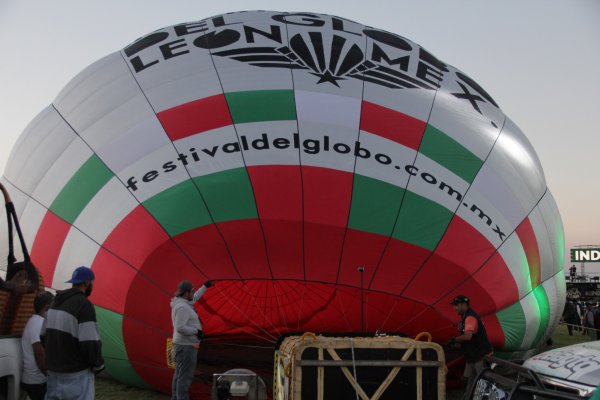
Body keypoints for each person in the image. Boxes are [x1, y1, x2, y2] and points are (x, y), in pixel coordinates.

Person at [41, 266, 104, 400]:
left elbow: (42, 336)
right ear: (87, 282)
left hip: (53, 375)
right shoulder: (84, 305)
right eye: (92, 282)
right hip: (76, 378)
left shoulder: (53, 303)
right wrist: (98, 365)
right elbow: (90, 342)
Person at [171, 280, 212, 400]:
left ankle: (175, 398)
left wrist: (205, 286)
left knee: (178, 374)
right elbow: (180, 328)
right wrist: (197, 332)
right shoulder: (182, 308)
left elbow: (194, 299)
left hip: (182, 345)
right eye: (192, 291)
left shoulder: (183, 303)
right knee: (185, 376)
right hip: (186, 346)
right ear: (186, 293)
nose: (194, 293)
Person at [447, 295, 493, 400]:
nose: (454, 308)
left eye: (456, 305)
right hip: (472, 356)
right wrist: (455, 343)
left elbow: (468, 336)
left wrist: (455, 339)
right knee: (470, 380)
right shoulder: (465, 317)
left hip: (480, 356)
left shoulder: (470, 317)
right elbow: (470, 340)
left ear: (463, 305)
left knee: (484, 381)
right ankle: (467, 397)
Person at [21, 291, 54, 400]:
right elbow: (39, 354)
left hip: (34, 380)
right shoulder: (39, 324)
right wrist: (50, 376)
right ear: (46, 307)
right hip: (36, 382)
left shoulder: (34, 321)